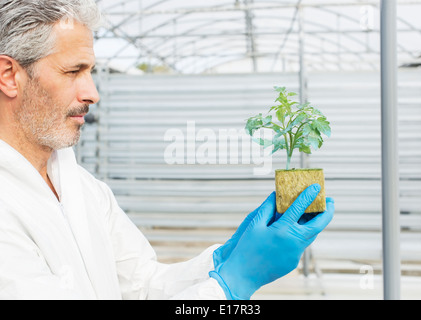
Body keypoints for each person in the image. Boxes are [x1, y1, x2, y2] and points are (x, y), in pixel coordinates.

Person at [0, 0, 334, 300]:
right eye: (73, 71)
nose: (92, 93)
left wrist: (224, 260)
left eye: (90, 71)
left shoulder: (83, 187)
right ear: (10, 75)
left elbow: (145, 286)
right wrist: (233, 283)